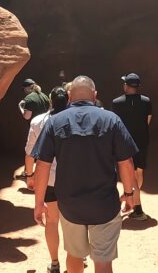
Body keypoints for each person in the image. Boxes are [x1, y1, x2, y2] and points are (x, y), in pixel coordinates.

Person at [32, 76, 139, 273]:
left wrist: (39, 202)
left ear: (70, 96)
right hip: (104, 205)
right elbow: (126, 161)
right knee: (104, 262)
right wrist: (129, 193)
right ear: (95, 95)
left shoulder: (55, 122)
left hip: (70, 206)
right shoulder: (111, 120)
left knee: (74, 256)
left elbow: (43, 165)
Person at [24, 86, 70, 273]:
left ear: (50, 101)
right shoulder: (76, 120)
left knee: (52, 221)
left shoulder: (37, 121)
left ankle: (55, 263)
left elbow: (29, 153)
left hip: (49, 179)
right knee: (72, 221)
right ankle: (76, 257)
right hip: (72, 178)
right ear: (68, 100)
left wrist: (29, 175)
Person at [110, 72, 151, 220]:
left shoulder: (117, 102)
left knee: (129, 171)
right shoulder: (146, 101)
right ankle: (133, 198)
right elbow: (148, 120)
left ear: (126, 86)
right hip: (142, 141)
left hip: (125, 142)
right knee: (138, 171)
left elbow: (115, 124)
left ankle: (137, 205)